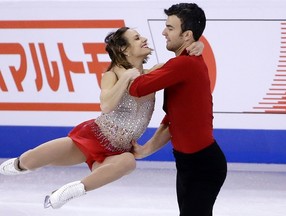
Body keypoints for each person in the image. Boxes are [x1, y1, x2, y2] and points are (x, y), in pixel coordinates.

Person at [0, 26, 204, 209]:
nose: (143, 39)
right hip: (92, 138)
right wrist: (125, 77)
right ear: (124, 49)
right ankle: (19, 165)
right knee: (30, 160)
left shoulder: (156, 71)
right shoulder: (112, 74)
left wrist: (198, 45)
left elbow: (182, 63)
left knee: (129, 163)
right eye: (136, 38)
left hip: (119, 150)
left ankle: (70, 191)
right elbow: (106, 105)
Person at [129, 3, 227, 216]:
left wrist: (128, 61)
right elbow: (172, 120)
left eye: (170, 28)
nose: (164, 32)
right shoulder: (185, 63)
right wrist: (145, 149)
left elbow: (137, 88)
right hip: (189, 164)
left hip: (203, 165)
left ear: (187, 35)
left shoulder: (184, 65)